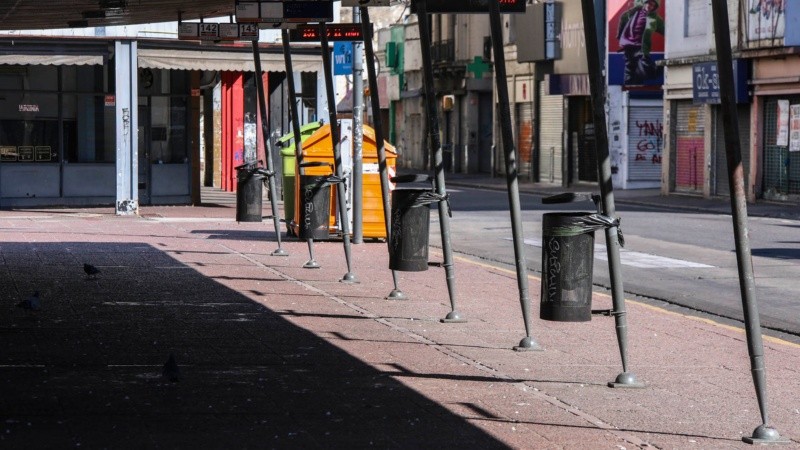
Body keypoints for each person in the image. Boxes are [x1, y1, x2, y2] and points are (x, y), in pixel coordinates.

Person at [617, 0, 665, 85]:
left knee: (647, 70)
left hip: (641, 49)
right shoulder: (634, 12)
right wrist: (620, 37)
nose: (650, 6)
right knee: (629, 72)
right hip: (629, 47)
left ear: (654, 8)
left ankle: (663, 65)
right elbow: (623, 19)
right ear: (645, 2)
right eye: (649, 3)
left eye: (653, 5)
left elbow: (666, 30)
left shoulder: (655, 18)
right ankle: (630, 88)